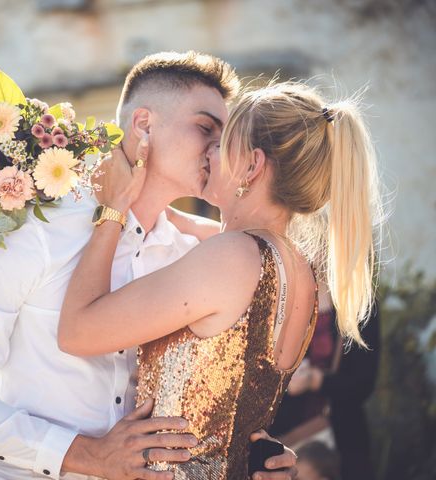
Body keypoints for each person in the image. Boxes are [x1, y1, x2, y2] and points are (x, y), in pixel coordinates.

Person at [0, 51, 298, 480]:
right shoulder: (33, 228)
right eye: (206, 128)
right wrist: (83, 454)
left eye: (226, 136)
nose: (220, 148)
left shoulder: (192, 258)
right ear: (143, 125)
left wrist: (255, 452)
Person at [58, 81, 382, 479]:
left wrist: (112, 209)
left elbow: (77, 331)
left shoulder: (229, 258)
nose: (209, 150)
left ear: (252, 165)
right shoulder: (299, 269)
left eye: (223, 140)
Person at [271, 283, 380, 480]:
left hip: (340, 438)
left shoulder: (359, 300)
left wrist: (316, 381)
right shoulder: (276, 288)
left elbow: (364, 383)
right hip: (281, 440)